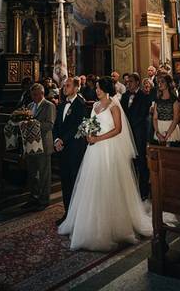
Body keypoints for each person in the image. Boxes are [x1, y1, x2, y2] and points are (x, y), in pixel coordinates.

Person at [58, 77, 152, 251]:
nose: (97, 91)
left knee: (109, 184)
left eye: (100, 88)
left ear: (107, 89)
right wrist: (88, 134)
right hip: (94, 149)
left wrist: (98, 138)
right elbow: (90, 124)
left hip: (109, 149)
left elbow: (118, 129)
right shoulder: (94, 106)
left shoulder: (114, 106)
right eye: (97, 89)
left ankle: (111, 225)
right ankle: (89, 223)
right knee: (92, 184)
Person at [53, 76, 87, 223]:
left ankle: (77, 215)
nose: (64, 88)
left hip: (74, 148)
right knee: (65, 182)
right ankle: (67, 213)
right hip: (62, 150)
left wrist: (63, 140)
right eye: (64, 86)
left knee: (74, 182)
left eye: (67, 86)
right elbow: (56, 126)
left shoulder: (81, 104)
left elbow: (77, 126)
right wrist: (56, 140)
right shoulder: (61, 105)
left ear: (76, 88)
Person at [22, 83, 55, 211]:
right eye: (32, 95)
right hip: (31, 144)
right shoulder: (30, 106)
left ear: (42, 93)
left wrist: (34, 124)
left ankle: (44, 200)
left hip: (44, 144)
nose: (33, 97)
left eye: (36, 94)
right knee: (32, 174)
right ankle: (33, 198)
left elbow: (50, 125)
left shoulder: (49, 106)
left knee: (44, 174)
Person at [121, 73, 152, 199]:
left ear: (138, 82)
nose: (128, 84)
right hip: (126, 133)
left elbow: (143, 114)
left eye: (131, 81)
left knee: (140, 161)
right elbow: (122, 112)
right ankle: (131, 192)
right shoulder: (124, 96)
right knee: (129, 161)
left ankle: (143, 191)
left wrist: (130, 125)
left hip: (138, 131)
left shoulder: (144, 96)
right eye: (127, 82)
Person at [151, 74, 180, 145]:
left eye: (162, 82)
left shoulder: (174, 100)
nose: (160, 84)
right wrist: (157, 133)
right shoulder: (158, 100)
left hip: (171, 129)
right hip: (159, 128)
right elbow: (155, 118)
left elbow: (176, 119)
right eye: (158, 82)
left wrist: (167, 134)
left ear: (168, 84)